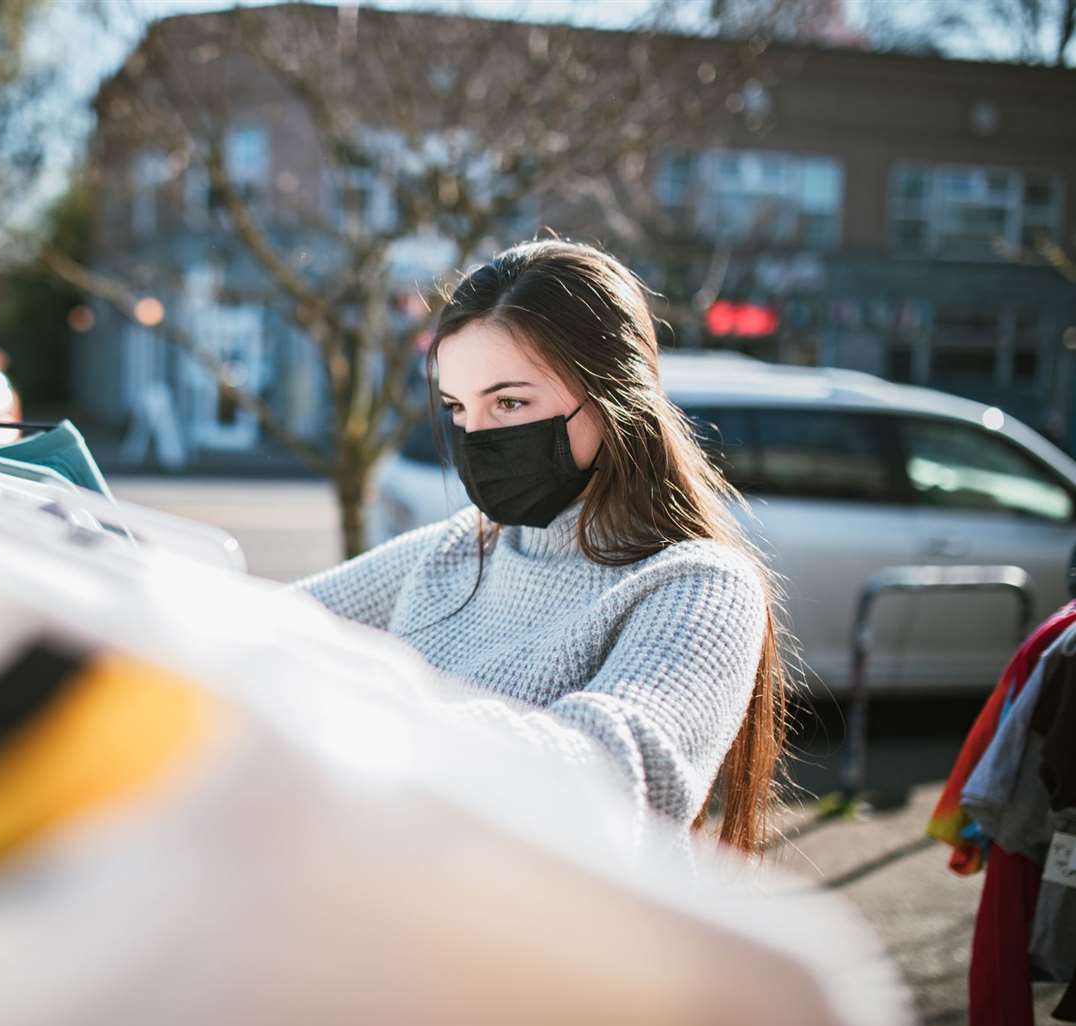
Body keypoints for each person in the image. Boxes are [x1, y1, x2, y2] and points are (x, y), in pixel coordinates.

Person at [296, 239, 788, 853]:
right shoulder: (463, 546)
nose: (476, 436)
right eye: (456, 407)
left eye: (508, 402)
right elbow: (264, 623)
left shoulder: (697, 586)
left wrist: (362, 714)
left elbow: (612, 775)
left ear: (614, 398)